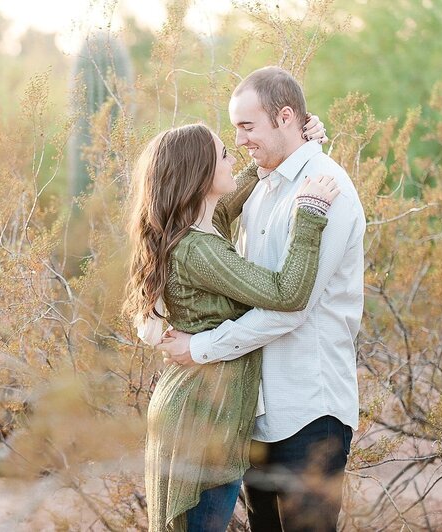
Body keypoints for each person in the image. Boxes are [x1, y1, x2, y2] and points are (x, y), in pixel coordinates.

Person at [162, 66, 365, 531]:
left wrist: (200, 348)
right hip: (255, 412)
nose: (240, 140)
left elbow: (290, 307)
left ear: (286, 117)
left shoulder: (327, 191)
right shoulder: (259, 188)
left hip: (308, 411)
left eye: (247, 127)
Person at [124, 119, 338, 531]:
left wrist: (292, 145)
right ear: (201, 175)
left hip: (196, 409)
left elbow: (240, 187)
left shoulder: (199, 226)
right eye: (224, 154)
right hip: (203, 416)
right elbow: (286, 293)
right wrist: (310, 217)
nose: (235, 157)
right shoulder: (199, 250)